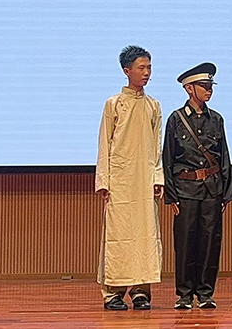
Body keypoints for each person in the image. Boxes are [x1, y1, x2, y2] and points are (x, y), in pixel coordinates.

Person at [95, 45, 163, 311]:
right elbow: (104, 143)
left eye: (149, 68)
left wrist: (158, 177)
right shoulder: (114, 104)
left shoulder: (153, 105)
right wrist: (103, 180)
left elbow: (156, 146)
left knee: (145, 235)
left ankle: (140, 291)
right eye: (141, 68)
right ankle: (112, 292)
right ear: (127, 71)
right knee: (119, 236)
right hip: (121, 181)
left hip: (144, 178)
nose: (146, 73)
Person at [162, 63, 232, 310]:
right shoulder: (176, 119)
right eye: (204, 86)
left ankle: (205, 293)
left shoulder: (217, 119)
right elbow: (168, 157)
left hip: (212, 189)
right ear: (189, 88)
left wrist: (226, 193)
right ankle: (184, 294)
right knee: (185, 242)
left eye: (210, 86)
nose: (209, 90)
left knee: (210, 242)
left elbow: (224, 156)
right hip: (185, 189)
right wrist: (171, 195)